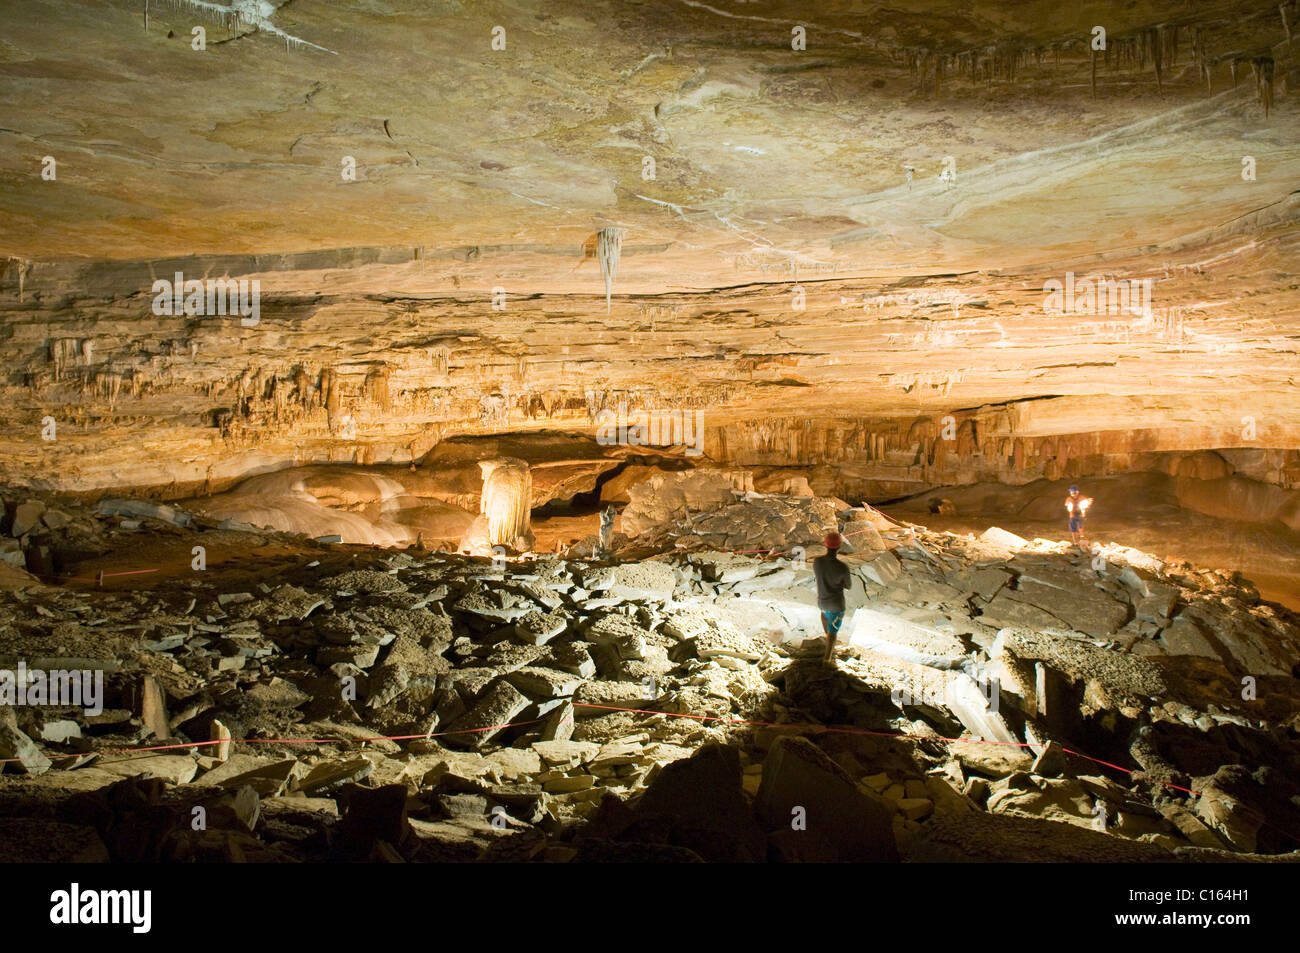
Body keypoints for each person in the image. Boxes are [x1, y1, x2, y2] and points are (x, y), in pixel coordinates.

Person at [813, 531, 852, 664]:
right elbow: (848, 586)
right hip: (836, 604)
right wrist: (839, 582)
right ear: (839, 546)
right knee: (833, 632)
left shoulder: (817, 562)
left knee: (824, 616)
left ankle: (827, 639)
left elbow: (821, 575)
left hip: (822, 602)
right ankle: (827, 660)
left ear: (826, 544)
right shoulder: (842, 567)